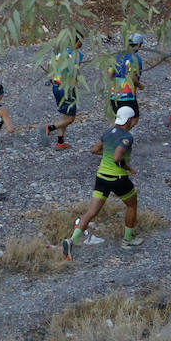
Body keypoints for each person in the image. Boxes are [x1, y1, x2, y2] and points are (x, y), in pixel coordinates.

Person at [61, 106, 143, 258]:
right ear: (130, 120)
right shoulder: (127, 136)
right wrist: (128, 167)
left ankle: (71, 240)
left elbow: (94, 150)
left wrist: (107, 153)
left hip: (101, 177)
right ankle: (127, 240)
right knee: (132, 205)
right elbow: (117, 158)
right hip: (117, 178)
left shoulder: (108, 132)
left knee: (91, 212)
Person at [43, 35, 84, 149]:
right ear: (77, 40)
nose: (82, 42)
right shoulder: (77, 55)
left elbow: (49, 66)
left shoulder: (58, 52)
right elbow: (75, 72)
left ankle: (60, 141)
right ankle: (50, 127)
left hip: (56, 87)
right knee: (70, 118)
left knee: (65, 115)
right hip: (67, 88)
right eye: (81, 40)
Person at [108, 34, 145, 129]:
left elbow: (110, 75)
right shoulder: (136, 59)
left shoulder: (117, 56)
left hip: (114, 93)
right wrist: (140, 85)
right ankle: (119, 138)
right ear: (139, 44)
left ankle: (109, 137)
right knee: (133, 119)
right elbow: (132, 78)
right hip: (128, 95)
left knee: (117, 119)